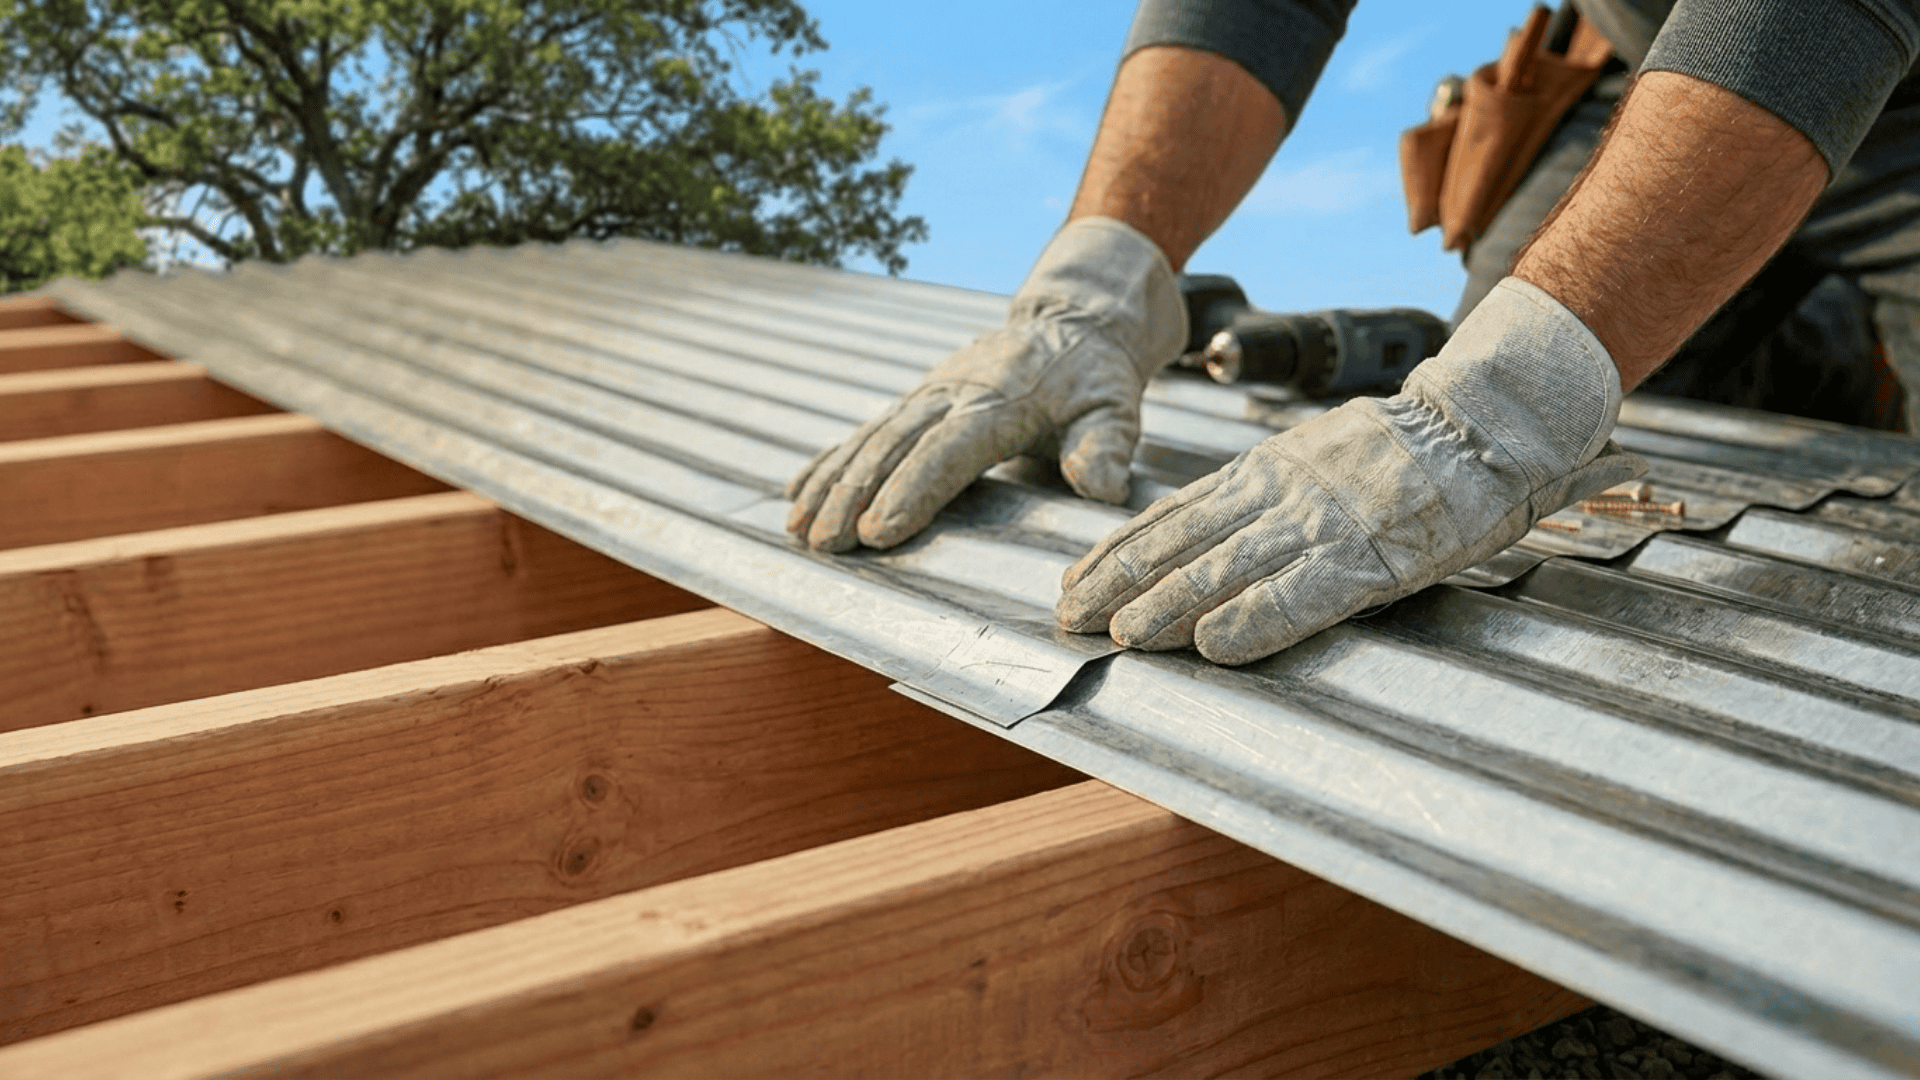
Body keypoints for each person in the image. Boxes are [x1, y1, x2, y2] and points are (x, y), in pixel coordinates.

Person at [786, 0, 1920, 666]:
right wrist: (1098, 278)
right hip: (1662, 51)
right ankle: (1790, 332)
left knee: (1526, 378)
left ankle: (1813, 337)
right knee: (1508, 333)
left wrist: (1501, 408)